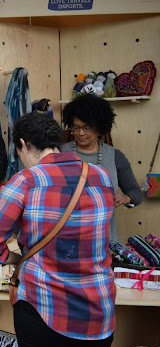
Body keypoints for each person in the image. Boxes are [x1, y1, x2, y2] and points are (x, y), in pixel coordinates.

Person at [0, 112, 116, 347]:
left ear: (23, 144)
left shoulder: (25, 181)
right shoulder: (101, 176)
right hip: (97, 309)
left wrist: (18, 259)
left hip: (43, 307)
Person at [61, 94, 142, 241]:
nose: (80, 133)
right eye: (76, 127)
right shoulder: (59, 153)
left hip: (104, 239)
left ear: (99, 128)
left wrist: (125, 198)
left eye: (87, 128)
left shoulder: (114, 156)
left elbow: (135, 192)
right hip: (68, 238)